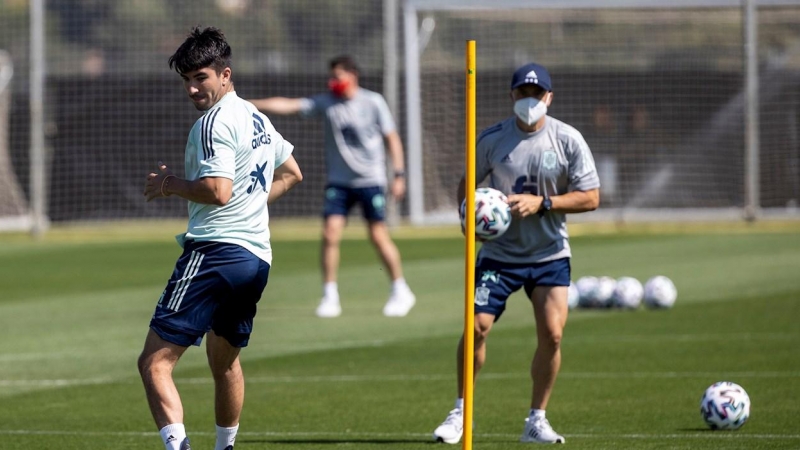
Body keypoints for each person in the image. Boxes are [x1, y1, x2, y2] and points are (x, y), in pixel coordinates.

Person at [138, 26, 302, 450]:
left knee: (154, 363)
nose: (193, 88)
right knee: (224, 361)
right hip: (256, 259)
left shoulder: (214, 122)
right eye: (187, 80)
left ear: (224, 74)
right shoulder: (255, 116)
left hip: (215, 252)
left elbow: (217, 190)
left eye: (201, 78)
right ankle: (225, 447)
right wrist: (251, 206)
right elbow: (292, 173)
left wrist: (170, 184)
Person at [432, 63, 600, 444]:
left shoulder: (567, 139)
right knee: (476, 327)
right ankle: (461, 411)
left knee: (553, 336)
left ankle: (536, 420)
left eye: (537, 94)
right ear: (511, 96)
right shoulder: (491, 139)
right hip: (499, 256)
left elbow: (591, 197)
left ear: (549, 98)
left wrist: (542, 203)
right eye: (523, 94)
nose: (530, 101)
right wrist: (468, 218)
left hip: (549, 255)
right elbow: (467, 184)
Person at [249, 55, 415, 318]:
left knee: (378, 235)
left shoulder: (373, 102)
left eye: (337, 77)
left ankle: (400, 289)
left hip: (371, 181)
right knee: (330, 233)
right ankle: (330, 296)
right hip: (339, 182)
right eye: (331, 77)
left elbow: (392, 138)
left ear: (352, 76)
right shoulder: (326, 102)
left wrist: (399, 175)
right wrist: (249, 105)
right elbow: (290, 105)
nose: (332, 82)